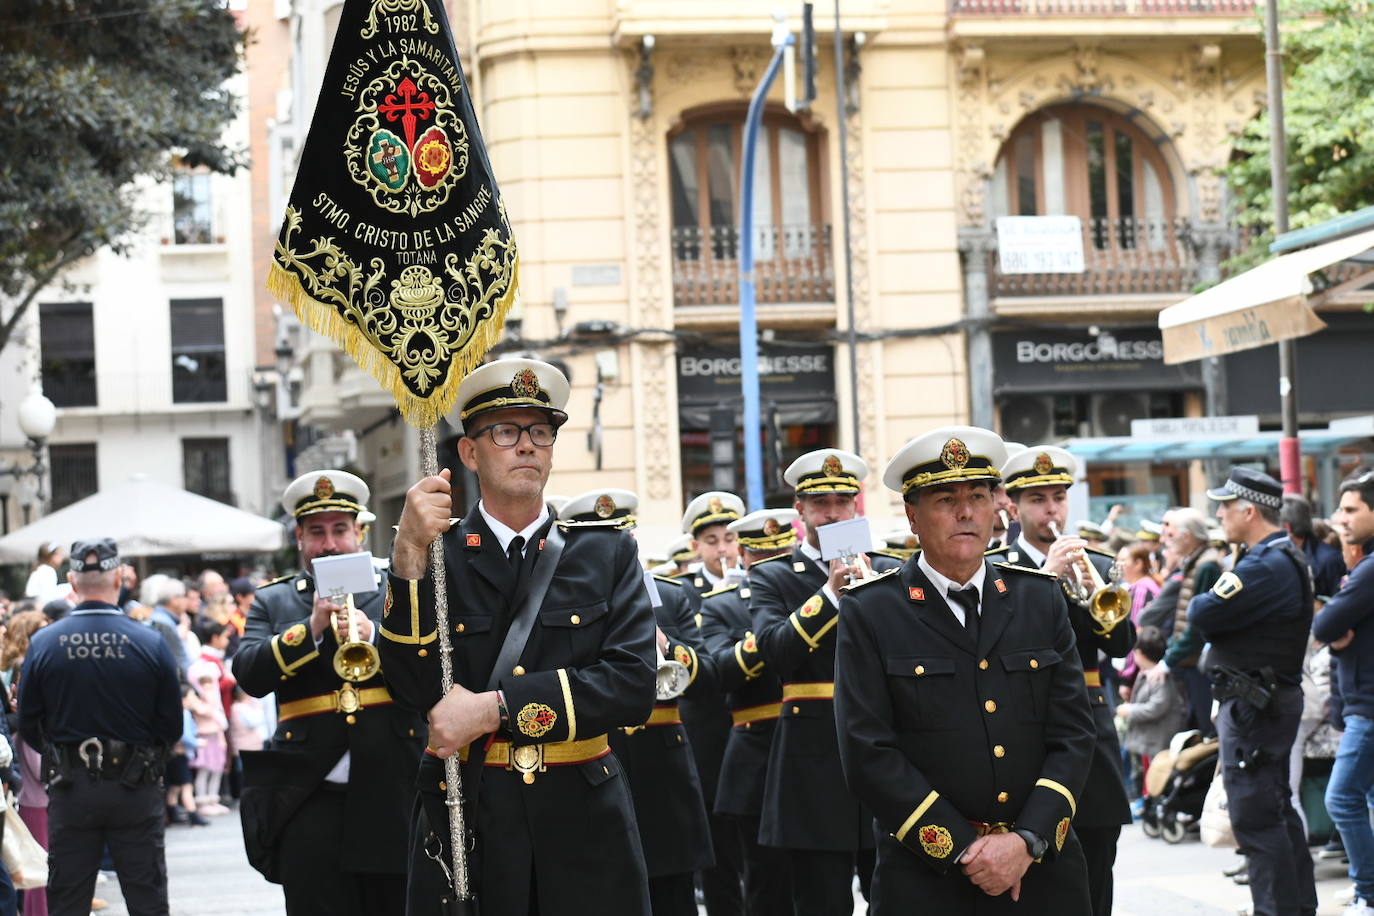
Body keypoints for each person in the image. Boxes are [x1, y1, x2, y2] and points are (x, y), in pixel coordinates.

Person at [378, 357, 656, 916]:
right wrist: (407, 555)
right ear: (468, 452)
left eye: (540, 432)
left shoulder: (606, 552)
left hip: (584, 821)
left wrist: (496, 710)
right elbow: (411, 687)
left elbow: (632, 686)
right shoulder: (439, 554)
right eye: (505, 431)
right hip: (473, 813)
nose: (527, 445)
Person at [834, 426, 1094, 913]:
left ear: (996, 507)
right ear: (912, 516)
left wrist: (1027, 841)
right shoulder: (872, 611)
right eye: (945, 499)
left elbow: (1075, 734)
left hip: (1041, 873)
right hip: (926, 877)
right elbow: (867, 752)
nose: (966, 512)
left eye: (978, 495)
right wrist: (964, 850)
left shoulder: (1038, 598)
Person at [232, 469, 426, 916]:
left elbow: (428, 671)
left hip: (392, 785)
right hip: (308, 791)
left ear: (359, 531)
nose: (330, 543)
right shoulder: (275, 601)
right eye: (316, 532)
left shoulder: (395, 590)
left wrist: (375, 635)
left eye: (340, 529)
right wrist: (311, 629)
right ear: (299, 537)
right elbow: (249, 674)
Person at [749, 448, 901, 915]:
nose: (833, 512)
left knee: (896, 894)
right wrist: (829, 596)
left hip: (883, 745)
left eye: (842, 501)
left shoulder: (890, 568)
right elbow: (774, 652)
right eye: (820, 503)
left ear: (857, 506)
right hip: (812, 757)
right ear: (800, 511)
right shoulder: (772, 575)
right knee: (820, 898)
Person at [984, 444, 1134, 916]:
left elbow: (1122, 645)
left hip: (1088, 727)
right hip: (1024, 728)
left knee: (1096, 865)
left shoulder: (1097, 562)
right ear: (1012, 504)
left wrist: (1094, 592)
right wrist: (1047, 581)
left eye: (1058, 498)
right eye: (1037, 499)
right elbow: (998, 645)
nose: (1051, 509)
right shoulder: (996, 568)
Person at [560, 488, 714, 916]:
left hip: (663, 767)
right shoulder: (563, 601)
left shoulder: (672, 594)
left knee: (672, 893)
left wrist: (668, 645)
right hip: (595, 760)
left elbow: (709, 676)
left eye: (622, 536)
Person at [17, 537, 182, 916]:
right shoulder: (149, 641)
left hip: (72, 786)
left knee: (69, 897)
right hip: (135, 785)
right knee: (147, 896)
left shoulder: (44, 643)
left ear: (72, 583)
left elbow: (28, 720)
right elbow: (170, 722)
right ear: (120, 581)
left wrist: (61, 753)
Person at [1189, 468, 1317, 916]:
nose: (1219, 513)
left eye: (1225, 506)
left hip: (1254, 708)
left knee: (1256, 819)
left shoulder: (1264, 565)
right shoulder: (1281, 558)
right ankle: (1297, 907)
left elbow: (1204, 612)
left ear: (1248, 511)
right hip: (1263, 703)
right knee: (1276, 811)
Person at [697, 508, 799, 916]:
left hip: (814, 752)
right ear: (745, 558)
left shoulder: (816, 595)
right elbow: (721, 670)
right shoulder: (723, 605)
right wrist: (778, 635)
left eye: (781, 555)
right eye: (760, 558)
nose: (770, 568)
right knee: (765, 882)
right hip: (757, 755)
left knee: (821, 881)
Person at [677, 491, 746, 916]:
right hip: (708, 729)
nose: (722, 549)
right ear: (695, 547)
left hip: (755, 728)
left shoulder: (763, 582)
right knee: (717, 837)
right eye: (712, 540)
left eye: (729, 539)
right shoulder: (683, 592)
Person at [1312, 469, 1374, 913]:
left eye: (1351, 509)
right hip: (1360, 701)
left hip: (1369, 705)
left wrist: (1336, 627)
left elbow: (1324, 624)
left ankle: (1368, 891)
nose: (1340, 517)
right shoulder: (1363, 565)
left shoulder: (1369, 570)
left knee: (1341, 798)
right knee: (1364, 797)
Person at [1116, 625, 1186, 804]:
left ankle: (1153, 803)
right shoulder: (1146, 674)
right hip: (1149, 737)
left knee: (1157, 773)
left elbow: (1157, 706)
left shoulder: (1159, 677)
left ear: (1139, 653)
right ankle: (1148, 801)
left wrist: (1131, 710)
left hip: (1158, 737)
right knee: (1147, 770)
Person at [1285, 494, 1348, 603]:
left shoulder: (1329, 559)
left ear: (1287, 527)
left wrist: (1322, 605)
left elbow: (1343, 601)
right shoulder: (1285, 555)